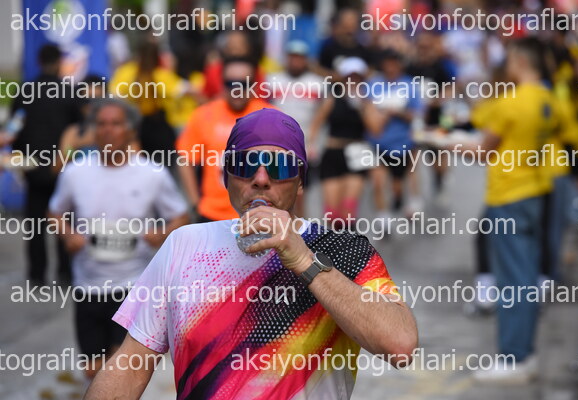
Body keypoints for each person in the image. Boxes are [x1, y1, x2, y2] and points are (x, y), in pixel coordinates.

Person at [84, 108, 418, 399]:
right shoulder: (184, 244)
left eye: (279, 167)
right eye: (246, 164)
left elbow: (400, 345)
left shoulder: (342, 249)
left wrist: (304, 261)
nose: (260, 179)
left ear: (300, 181)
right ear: (226, 176)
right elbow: (131, 364)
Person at [48, 98, 189, 378]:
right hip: (88, 285)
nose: (108, 130)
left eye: (116, 124)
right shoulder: (75, 172)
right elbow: (54, 212)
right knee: (93, 370)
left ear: (131, 130)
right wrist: (68, 234)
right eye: (101, 124)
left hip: (134, 286)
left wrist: (161, 234)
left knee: (120, 370)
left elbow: (181, 217)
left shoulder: (152, 174)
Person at [456, 37, 560, 383]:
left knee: (512, 280)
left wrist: (449, 145)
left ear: (520, 62)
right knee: (525, 276)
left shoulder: (512, 102)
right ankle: (524, 354)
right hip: (535, 192)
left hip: (508, 196)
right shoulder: (547, 99)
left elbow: (483, 151)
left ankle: (514, 356)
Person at [5, 44, 81, 285]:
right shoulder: (69, 92)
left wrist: (18, 159)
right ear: (59, 62)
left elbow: (14, 129)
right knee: (63, 219)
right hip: (61, 167)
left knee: (35, 223)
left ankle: (37, 275)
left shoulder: (25, 91)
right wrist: (68, 157)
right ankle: (65, 273)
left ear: (39, 62)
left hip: (32, 166)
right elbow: (77, 132)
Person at [176, 57, 274, 222]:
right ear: (222, 84)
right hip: (212, 214)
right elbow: (185, 159)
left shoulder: (270, 117)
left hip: (258, 214)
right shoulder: (204, 115)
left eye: (243, 84)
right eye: (231, 84)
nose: (237, 90)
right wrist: (195, 204)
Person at [309, 57, 370, 229]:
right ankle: (334, 244)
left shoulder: (366, 102)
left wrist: (361, 106)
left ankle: (350, 243)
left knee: (349, 212)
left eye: (357, 78)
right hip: (333, 153)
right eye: (350, 77)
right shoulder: (332, 99)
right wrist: (311, 145)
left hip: (357, 154)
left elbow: (375, 129)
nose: (353, 82)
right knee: (332, 214)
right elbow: (316, 123)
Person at [362, 49, 421, 223]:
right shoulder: (373, 84)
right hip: (377, 143)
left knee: (399, 182)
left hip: (403, 142)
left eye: (394, 64)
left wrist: (398, 113)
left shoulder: (409, 85)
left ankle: (405, 198)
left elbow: (417, 114)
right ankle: (383, 216)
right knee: (378, 181)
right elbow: (366, 109)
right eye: (387, 64)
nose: (390, 68)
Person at [267, 40, 325, 216]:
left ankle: (299, 226)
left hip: (305, 143)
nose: (295, 61)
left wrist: (315, 136)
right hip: (277, 144)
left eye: (299, 58)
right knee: (277, 188)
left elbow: (325, 107)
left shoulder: (316, 83)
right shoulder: (272, 80)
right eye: (292, 57)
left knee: (300, 191)